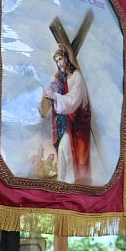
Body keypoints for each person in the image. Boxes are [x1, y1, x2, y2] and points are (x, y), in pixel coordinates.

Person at [41, 44, 91, 185]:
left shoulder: (77, 77)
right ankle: (62, 180)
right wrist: (51, 91)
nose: (59, 63)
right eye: (56, 61)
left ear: (67, 59)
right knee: (62, 148)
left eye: (60, 59)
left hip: (77, 123)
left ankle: (68, 181)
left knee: (67, 149)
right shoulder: (61, 79)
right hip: (65, 123)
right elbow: (50, 90)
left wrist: (56, 96)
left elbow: (73, 101)